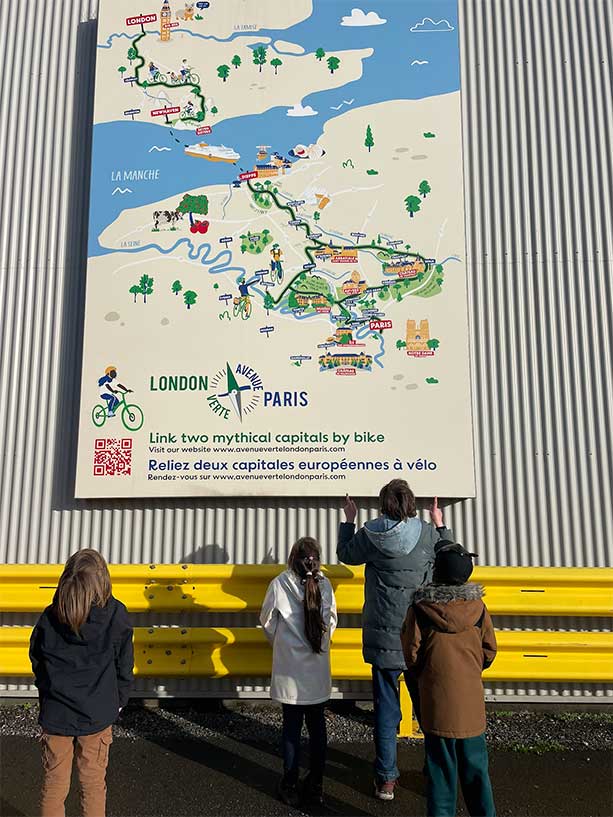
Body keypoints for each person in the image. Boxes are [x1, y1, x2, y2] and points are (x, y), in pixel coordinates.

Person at [337, 480, 453, 801]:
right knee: (427, 709)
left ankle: (386, 780)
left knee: (386, 711)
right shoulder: (427, 534)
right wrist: (440, 524)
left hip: (383, 636)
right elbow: (449, 560)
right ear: (411, 503)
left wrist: (349, 520)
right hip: (420, 637)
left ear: (383, 504)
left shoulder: (371, 534)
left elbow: (345, 555)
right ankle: (435, 773)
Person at [29, 550, 134, 817]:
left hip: (56, 714)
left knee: (54, 785)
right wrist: (119, 701)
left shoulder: (49, 617)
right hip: (97, 714)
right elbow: (124, 665)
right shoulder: (116, 616)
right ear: (104, 582)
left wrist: (48, 694)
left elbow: (37, 660)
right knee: (93, 785)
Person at [401, 542, 497, 817]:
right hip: (471, 707)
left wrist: (427, 675)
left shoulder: (421, 608)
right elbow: (490, 650)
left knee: (441, 775)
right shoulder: (478, 608)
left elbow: (411, 654)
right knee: (477, 773)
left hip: (437, 705)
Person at [260, 537, 337, 809]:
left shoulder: (279, 584)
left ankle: (290, 785)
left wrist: (282, 644)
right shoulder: (325, 585)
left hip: (289, 670)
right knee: (317, 729)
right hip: (317, 671)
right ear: (317, 561)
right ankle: (316, 786)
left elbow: (267, 622)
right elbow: (332, 621)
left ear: (293, 559)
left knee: (291, 731)